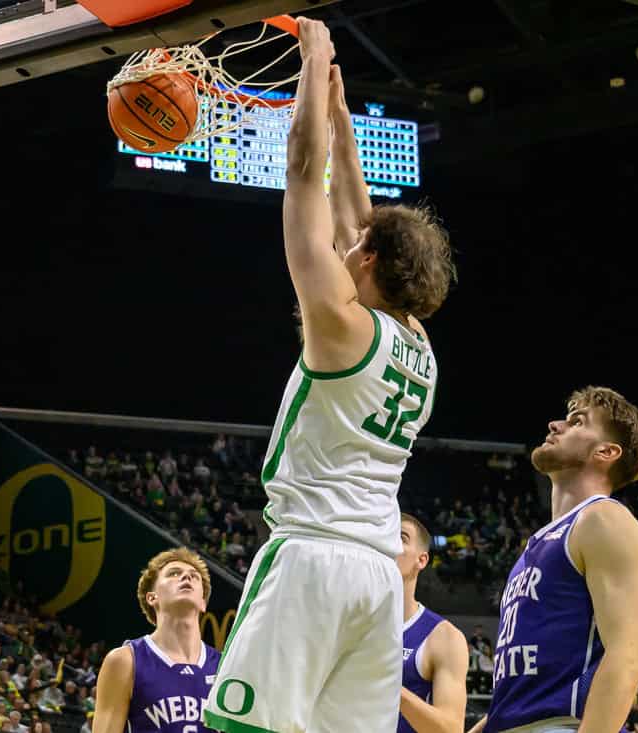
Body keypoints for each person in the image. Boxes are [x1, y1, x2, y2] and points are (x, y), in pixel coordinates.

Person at [202, 18, 455, 733]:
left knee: (241, 728)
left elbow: (300, 169)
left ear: (368, 259)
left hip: (311, 558)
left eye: (359, 244)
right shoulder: (418, 344)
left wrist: (313, 61)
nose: (347, 242)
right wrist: (343, 114)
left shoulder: (339, 323)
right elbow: (356, 210)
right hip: (375, 578)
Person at [468, 387, 638, 733]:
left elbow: (627, 660)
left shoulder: (604, 520)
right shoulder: (540, 543)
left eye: (576, 422)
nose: (555, 425)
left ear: (606, 451)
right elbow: (526, 691)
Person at [94, 548, 220, 732]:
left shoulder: (225, 667)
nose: (186, 577)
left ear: (203, 603)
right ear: (152, 597)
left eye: (194, 576)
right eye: (174, 573)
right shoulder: (125, 661)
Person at [396, 514, 469, 733]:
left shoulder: (443, 637)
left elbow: (451, 729)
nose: (389, 544)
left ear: (422, 560)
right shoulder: (349, 625)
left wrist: (388, 684)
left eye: (401, 537)